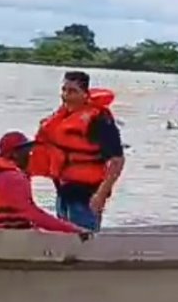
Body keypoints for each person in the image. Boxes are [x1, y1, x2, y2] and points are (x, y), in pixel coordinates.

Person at [27, 70, 125, 231]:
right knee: (64, 240)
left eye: (72, 91)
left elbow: (117, 160)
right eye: (64, 90)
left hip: (86, 196)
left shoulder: (98, 120)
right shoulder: (62, 117)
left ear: (85, 94)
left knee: (84, 242)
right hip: (63, 192)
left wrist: (100, 195)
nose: (66, 95)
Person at [0, 131, 87, 234]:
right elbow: (34, 216)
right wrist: (74, 230)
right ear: (14, 153)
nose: (30, 155)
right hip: (7, 237)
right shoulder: (14, 178)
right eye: (26, 151)